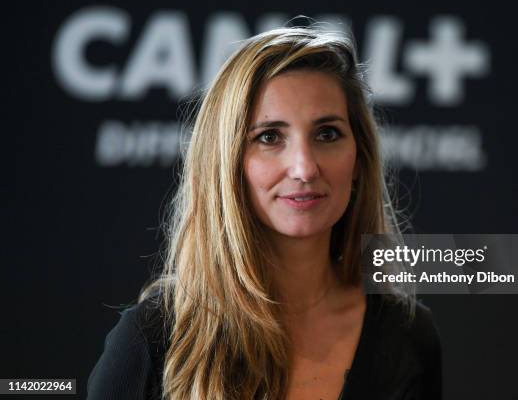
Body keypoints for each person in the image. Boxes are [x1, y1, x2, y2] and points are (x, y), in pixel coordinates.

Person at [87, 26, 441, 400]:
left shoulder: (408, 335)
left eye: (327, 134)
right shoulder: (152, 338)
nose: (304, 168)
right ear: (227, 163)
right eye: (270, 137)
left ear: (358, 160)